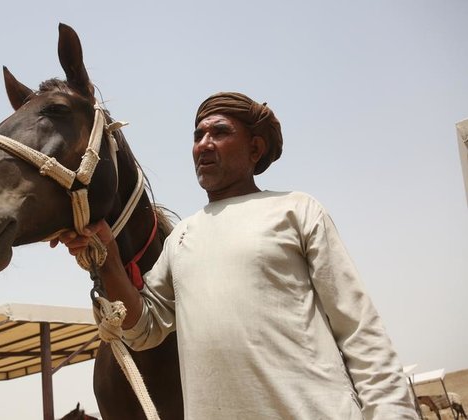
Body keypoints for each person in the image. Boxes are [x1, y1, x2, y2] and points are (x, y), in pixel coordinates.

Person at [54, 92, 417, 419]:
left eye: (219, 133)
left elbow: (357, 327)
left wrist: (393, 412)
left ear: (255, 149)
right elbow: (142, 329)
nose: (204, 144)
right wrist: (109, 259)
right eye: (198, 136)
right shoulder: (181, 238)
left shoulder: (296, 210)